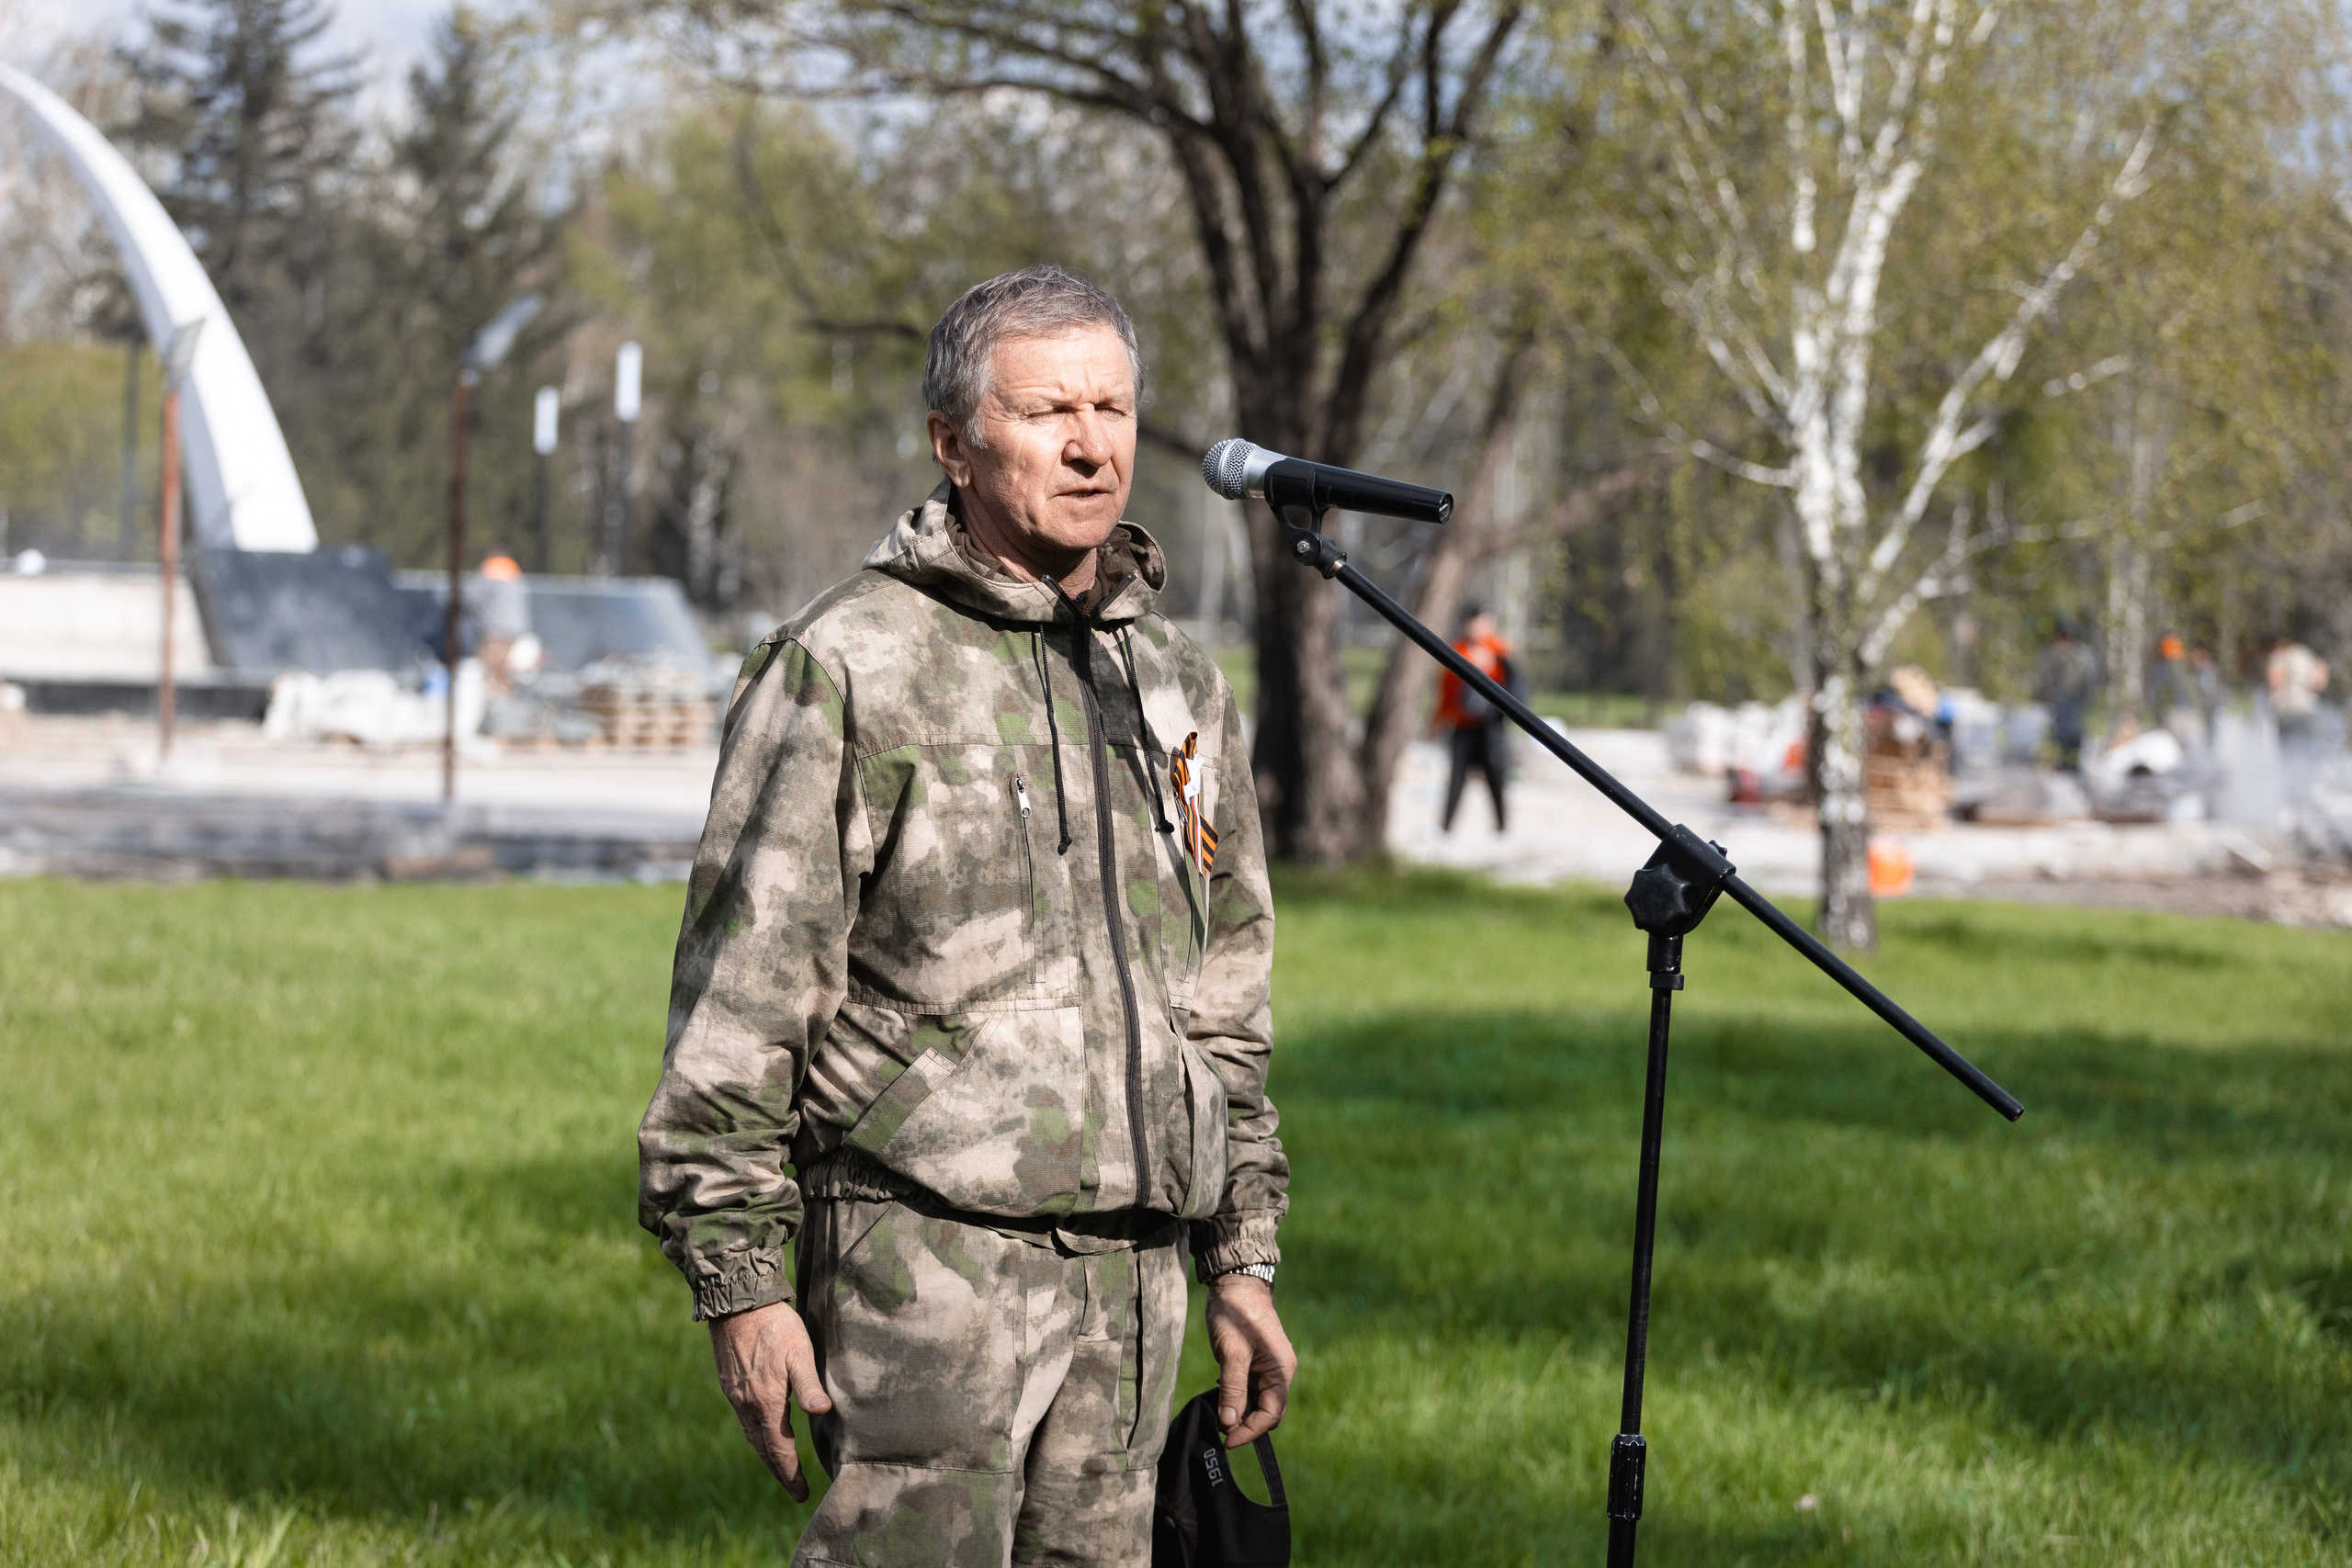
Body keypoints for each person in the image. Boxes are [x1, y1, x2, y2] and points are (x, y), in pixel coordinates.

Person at [637, 266, 1294, 1568]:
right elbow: (743, 997)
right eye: (1051, 408)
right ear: (955, 442)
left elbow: (1224, 994)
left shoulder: (1174, 680)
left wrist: (1242, 1252)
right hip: (924, 1269)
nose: (1093, 441)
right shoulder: (849, 662)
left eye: (1111, 405)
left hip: (1141, 1285)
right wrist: (743, 1282)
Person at [1435, 604, 1517, 832]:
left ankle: (1502, 827)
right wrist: (1439, 720)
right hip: (1463, 725)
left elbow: (1515, 684)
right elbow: (1446, 690)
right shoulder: (1457, 650)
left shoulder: (1500, 649)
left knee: (1495, 777)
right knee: (1456, 778)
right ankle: (1446, 826)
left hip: (1491, 727)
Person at [2033, 621, 2097, 771]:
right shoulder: (2052, 654)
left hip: (2075, 703)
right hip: (2057, 703)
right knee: (2056, 735)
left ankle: (2072, 764)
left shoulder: (2083, 656)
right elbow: (2043, 677)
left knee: (2074, 735)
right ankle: (2058, 762)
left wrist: (2086, 699)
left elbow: (2089, 679)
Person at [469, 548, 535, 694]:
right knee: (504, 673)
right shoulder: (514, 572)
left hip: (496, 630)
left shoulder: (491, 569)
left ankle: (493, 708)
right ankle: (503, 702)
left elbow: (471, 597)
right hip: (516, 631)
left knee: (490, 674)